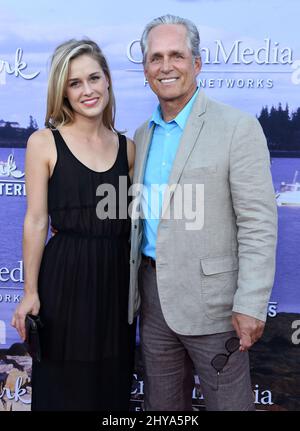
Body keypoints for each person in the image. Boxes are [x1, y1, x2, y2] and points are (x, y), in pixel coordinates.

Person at [128, 15, 277, 411]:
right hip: (153, 300)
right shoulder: (141, 135)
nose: (165, 65)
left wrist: (250, 303)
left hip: (217, 307)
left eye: (176, 55)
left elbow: (258, 225)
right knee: (163, 408)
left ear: (197, 63)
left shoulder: (237, 128)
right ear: (145, 70)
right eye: (156, 57)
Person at [11, 39, 136, 411]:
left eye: (93, 78)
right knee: (64, 386)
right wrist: (30, 291)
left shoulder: (127, 149)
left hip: (115, 283)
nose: (87, 90)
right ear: (63, 92)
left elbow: (130, 221)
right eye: (75, 82)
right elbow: (36, 220)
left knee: (110, 384)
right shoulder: (44, 143)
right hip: (64, 279)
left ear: (108, 81)